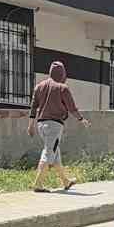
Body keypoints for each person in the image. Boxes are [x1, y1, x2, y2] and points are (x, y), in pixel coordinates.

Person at [27, 62, 88, 192]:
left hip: (41, 125)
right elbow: (72, 108)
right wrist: (81, 119)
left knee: (55, 153)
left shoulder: (39, 87)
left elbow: (33, 108)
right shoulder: (62, 88)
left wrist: (30, 125)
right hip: (54, 126)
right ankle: (38, 184)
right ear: (62, 74)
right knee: (48, 153)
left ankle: (66, 181)